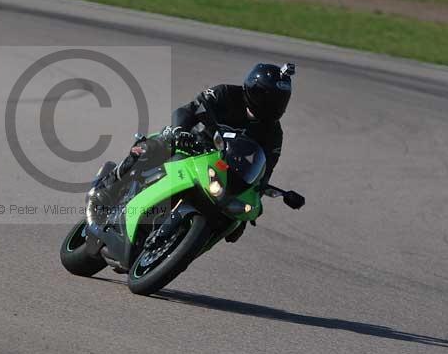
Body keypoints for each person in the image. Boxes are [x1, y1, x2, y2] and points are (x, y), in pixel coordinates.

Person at [86, 62, 295, 243]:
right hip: (190, 143)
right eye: (268, 98)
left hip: (221, 167)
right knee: (151, 148)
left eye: (280, 101)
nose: (273, 106)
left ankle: (181, 241)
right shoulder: (226, 94)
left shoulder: (273, 133)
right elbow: (187, 110)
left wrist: (258, 194)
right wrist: (180, 131)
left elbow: (265, 169)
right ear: (253, 89)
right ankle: (107, 187)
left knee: (235, 219)